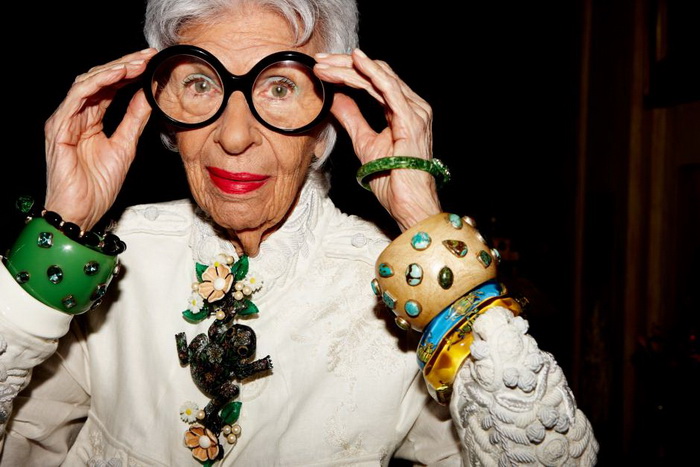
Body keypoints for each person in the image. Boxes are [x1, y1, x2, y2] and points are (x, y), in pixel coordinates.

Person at [0, 0, 598, 465]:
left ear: (327, 118)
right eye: (201, 83)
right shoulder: (100, 262)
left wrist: (423, 222)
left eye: (279, 88)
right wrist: (62, 227)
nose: (234, 136)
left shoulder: (398, 290)